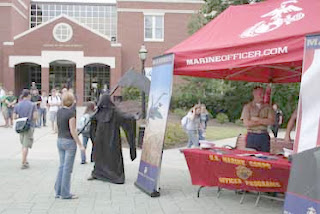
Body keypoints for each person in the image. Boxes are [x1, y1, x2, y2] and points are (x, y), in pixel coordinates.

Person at [87, 94, 137, 184]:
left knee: (104, 157)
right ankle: (111, 176)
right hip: (110, 141)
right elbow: (126, 119)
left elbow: (93, 126)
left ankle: (102, 174)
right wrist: (132, 117)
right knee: (110, 157)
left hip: (103, 140)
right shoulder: (112, 112)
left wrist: (94, 138)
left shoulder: (104, 112)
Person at [54, 92, 85, 199]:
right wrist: (80, 145)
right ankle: (65, 193)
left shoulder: (59, 112)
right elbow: (73, 130)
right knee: (67, 168)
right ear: (72, 101)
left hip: (60, 139)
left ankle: (58, 191)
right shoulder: (71, 113)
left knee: (61, 166)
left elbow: (56, 128)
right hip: (69, 142)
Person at [241, 86, 275, 152]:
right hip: (252, 135)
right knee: (251, 156)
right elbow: (247, 123)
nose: (262, 96)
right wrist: (264, 121)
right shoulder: (248, 107)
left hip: (264, 136)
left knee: (265, 158)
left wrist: (256, 119)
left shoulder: (268, 107)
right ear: (254, 94)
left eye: (263, 94)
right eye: (260, 94)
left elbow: (271, 121)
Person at [13, 89, 37, 169]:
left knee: (23, 144)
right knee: (26, 145)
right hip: (29, 126)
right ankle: (23, 162)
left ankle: (25, 160)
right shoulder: (32, 105)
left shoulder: (17, 105)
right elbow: (35, 117)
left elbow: (14, 117)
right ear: (29, 95)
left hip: (20, 126)